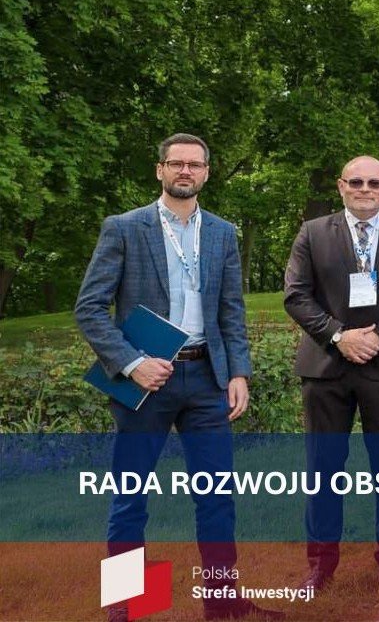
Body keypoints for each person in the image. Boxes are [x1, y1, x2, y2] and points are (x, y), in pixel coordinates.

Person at [75, 134, 277, 622]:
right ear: (160, 170)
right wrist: (130, 363)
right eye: (176, 163)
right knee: (131, 497)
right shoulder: (124, 228)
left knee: (217, 497)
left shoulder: (223, 233)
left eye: (195, 164)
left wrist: (239, 373)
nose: (185, 171)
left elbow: (231, 311)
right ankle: (128, 605)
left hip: (207, 378)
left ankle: (221, 604)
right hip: (146, 380)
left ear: (207, 172)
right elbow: (89, 308)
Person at [282, 155, 379, 594]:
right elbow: (296, 294)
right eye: (356, 182)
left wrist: (378, 338)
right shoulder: (313, 232)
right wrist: (340, 336)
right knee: (324, 468)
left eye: (374, 183)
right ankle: (321, 563)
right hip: (327, 368)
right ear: (341, 186)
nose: (365, 189)